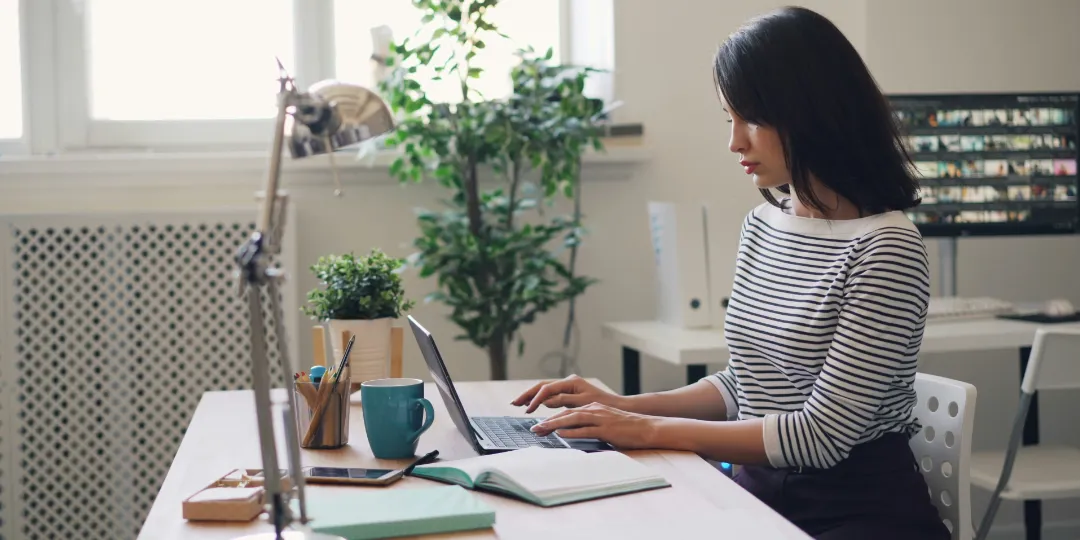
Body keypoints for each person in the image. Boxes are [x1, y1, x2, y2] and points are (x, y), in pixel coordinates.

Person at [511, 6, 948, 540]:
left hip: (854, 513)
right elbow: (748, 383)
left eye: (753, 120)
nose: (735, 142)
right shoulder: (765, 224)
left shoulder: (888, 248)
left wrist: (643, 429)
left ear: (815, 112)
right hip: (756, 495)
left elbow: (821, 436)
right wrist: (619, 406)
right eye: (729, 119)